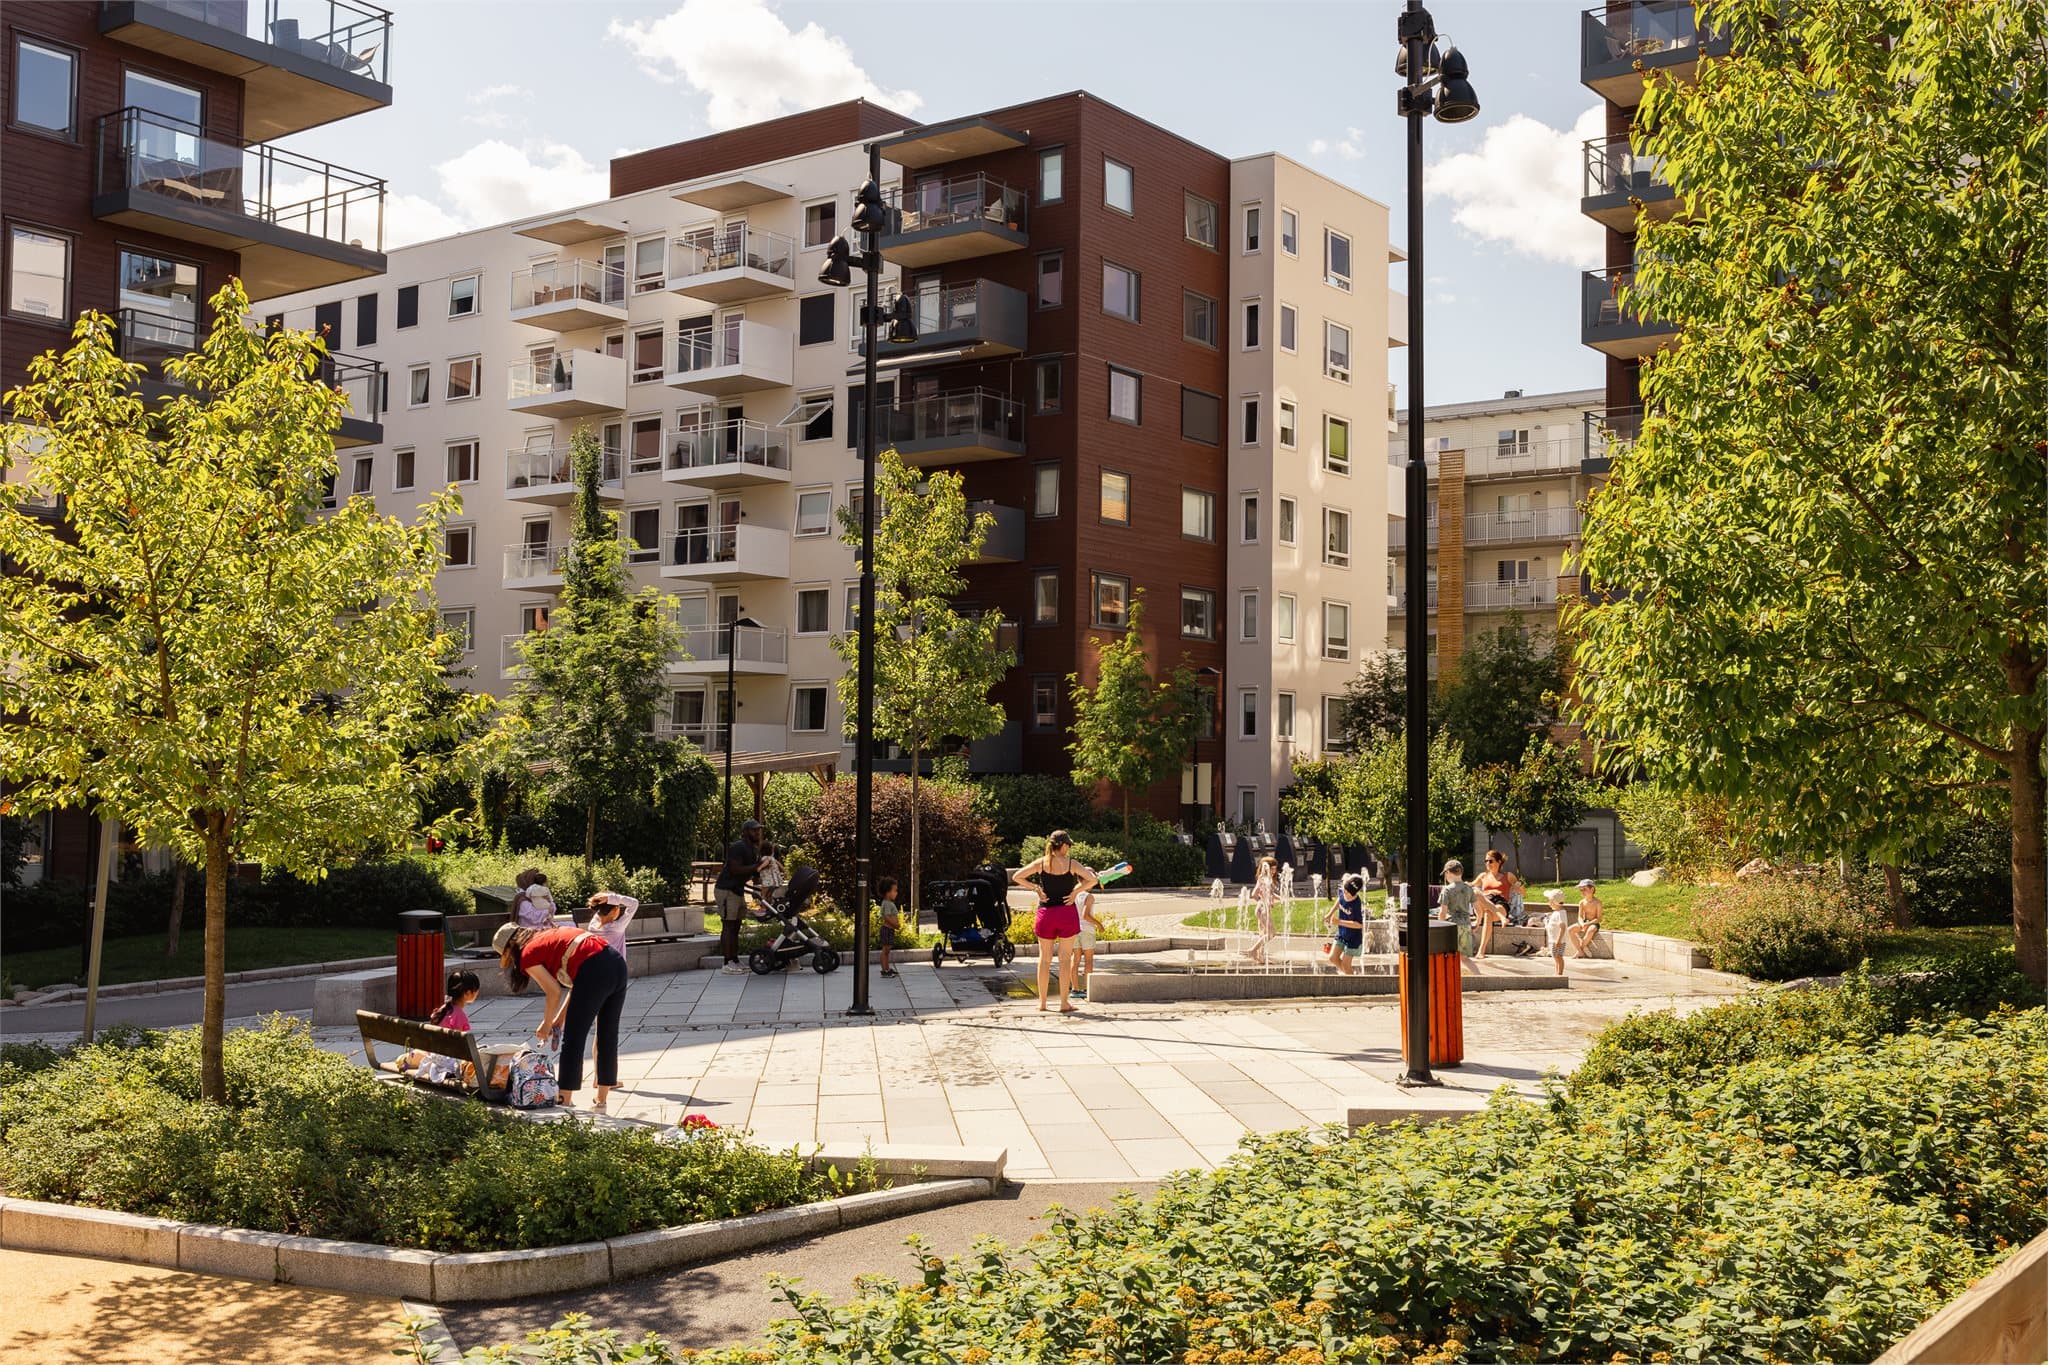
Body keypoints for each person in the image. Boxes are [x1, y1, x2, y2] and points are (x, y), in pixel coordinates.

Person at [493, 919, 629, 1113]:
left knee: (573, 1039)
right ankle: (601, 1101)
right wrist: (558, 1020)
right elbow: (577, 985)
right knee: (607, 1034)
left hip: (594, 971)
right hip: (616, 963)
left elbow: (554, 991)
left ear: (511, 948)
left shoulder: (528, 953)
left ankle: (564, 1099)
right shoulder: (550, 935)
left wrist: (546, 1024)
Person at [1012, 830, 1097, 1013]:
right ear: (1064, 845)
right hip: (1066, 913)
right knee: (1065, 960)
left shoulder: (1041, 862)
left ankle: (1042, 1003)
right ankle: (1063, 1004)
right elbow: (1092, 879)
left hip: (1046, 914)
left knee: (1044, 960)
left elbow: (1017, 876)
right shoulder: (1071, 864)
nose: (1069, 848)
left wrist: (1035, 887)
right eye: (1069, 845)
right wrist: (1075, 892)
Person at [397, 970, 482, 1080]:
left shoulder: (443, 1009)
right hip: (446, 1058)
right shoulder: (459, 1016)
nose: (477, 993)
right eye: (476, 990)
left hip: (435, 1052)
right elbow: (460, 1044)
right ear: (467, 993)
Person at [714, 819, 764, 975]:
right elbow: (736, 870)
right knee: (728, 925)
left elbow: (751, 871)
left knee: (736, 925)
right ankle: (727, 962)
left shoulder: (753, 849)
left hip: (738, 890)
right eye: (754, 830)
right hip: (726, 890)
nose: (757, 833)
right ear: (745, 832)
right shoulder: (738, 847)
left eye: (758, 830)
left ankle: (734, 959)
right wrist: (756, 866)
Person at [1473, 851, 1525, 958]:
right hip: (1485, 902)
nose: (1487, 863)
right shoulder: (1483, 876)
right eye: (1486, 861)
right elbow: (1470, 885)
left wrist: (1519, 885)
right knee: (1476, 892)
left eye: (1490, 861)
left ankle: (1481, 950)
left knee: (1488, 913)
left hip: (1500, 903)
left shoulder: (1508, 876)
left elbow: (1523, 893)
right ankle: (1497, 918)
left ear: (1499, 862)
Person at [1437, 859, 1481, 976]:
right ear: (1461, 873)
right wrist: (1478, 922)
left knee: (1448, 955)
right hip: (1466, 925)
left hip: (1452, 927)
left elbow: (1443, 911)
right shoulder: (1468, 889)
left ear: (1447, 873)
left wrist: (1439, 927)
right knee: (1464, 957)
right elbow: (1478, 909)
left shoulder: (1446, 890)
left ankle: (1447, 977)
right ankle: (1479, 977)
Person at [1319, 873, 1367, 974]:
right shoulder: (1343, 891)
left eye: (1347, 892)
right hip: (1342, 934)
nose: (1344, 893)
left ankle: (1351, 983)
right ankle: (1348, 976)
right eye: (1344, 890)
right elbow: (1339, 900)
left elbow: (1359, 924)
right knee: (1332, 958)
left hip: (1353, 938)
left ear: (1354, 893)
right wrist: (1329, 914)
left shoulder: (1356, 904)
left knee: (1346, 964)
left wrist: (1339, 922)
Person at [583, 890, 641, 958]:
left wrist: (605, 900)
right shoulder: (617, 927)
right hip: (616, 966)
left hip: (598, 965)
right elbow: (634, 903)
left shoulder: (592, 925)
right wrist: (610, 898)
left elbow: (601, 912)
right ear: (615, 909)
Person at [1243, 856, 1279, 966]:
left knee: (1263, 934)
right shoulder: (1263, 879)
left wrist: (1279, 898)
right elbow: (1254, 894)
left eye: (1275, 869)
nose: (1274, 872)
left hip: (1262, 908)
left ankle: (1260, 957)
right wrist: (1263, 901)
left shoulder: (1265, 879)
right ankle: (1252, 950)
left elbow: (1270, 894)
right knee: (1271, 933)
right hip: (1262, 909)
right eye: (1272, 869)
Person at [1072, 886, 1103, 999]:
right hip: (1087, 930)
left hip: (1074, 929)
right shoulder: (1088, 896)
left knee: (1075, 959)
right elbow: (1086, 916)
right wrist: (1099, 925)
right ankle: (1087, 989)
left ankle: (1075, 989)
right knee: (1088, 960)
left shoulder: (1073, 893)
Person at [1566, 878, 1604, 958]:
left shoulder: (1598, 902)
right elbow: (1580, 916)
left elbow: (1599, 918)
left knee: (1590, 930)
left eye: (1584, 889)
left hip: (1594, 923)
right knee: (1570, 929)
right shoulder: (1582, 902)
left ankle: (1580, 950)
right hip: (1584, 922)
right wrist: (1582, 923)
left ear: (1592, 889)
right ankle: (1580, 951)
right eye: (1581, 890)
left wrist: (1588, 924)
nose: (1582, 892)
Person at [875, 874, 901, 979]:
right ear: (887, 892)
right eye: (894, 891)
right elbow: (886, 917)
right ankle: (884, 970)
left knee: (887, 950)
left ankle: (887, 968)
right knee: (885, 951)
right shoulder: (886, 903)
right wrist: (895, 924)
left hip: (890, 930)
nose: (896, 893)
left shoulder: (890, 903)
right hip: (887, 929)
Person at [1541, 887, 1571, 975]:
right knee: (1555, 956)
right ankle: (1557, 972)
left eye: (1549, 901)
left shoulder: (1560, 913)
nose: (1548, 903)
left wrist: (1559, 940)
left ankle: (1560, 973)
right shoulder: (1557, 912)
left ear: (1554, 902)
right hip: (1553, 940)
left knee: (1558, 957)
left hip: (1557, 941)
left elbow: (1563, 927)